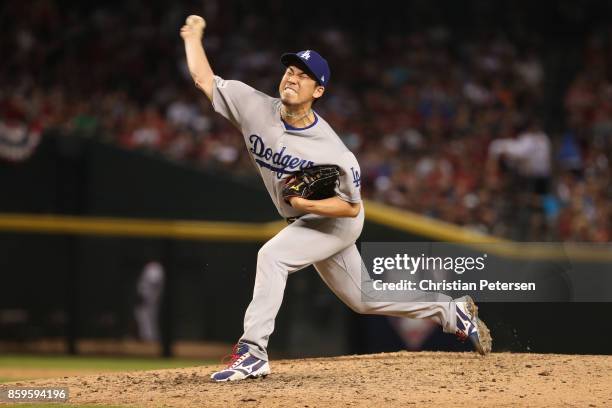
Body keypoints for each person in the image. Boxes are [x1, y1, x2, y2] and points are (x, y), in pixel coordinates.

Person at [180, 15, 492, 382]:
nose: (292, 78)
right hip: (307, 219)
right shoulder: (253, 106)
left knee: (272, 256)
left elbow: (352, 206)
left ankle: (253, 352)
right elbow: (204, 79)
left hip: (336, 219)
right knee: (364, 298)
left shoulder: (334, 152)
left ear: (318, 91)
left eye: (303, 75)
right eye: (290, 71)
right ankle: (452, 312)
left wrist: (308, 205)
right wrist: (193, 36)